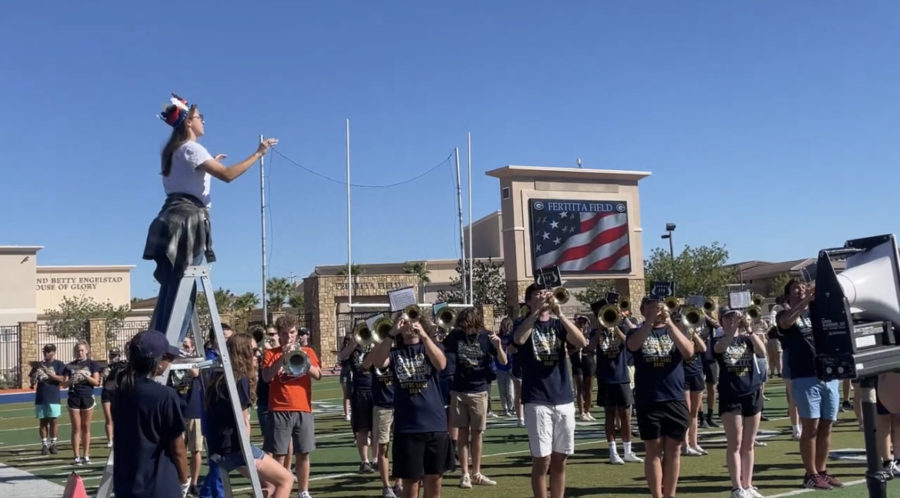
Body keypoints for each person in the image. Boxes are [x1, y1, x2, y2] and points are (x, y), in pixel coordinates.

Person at [144, 93, 278, 338]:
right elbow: (227, 175)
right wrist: (258, 153)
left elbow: (187, 181)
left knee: (171, 287)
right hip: (187, 220)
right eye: (199, 117)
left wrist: (207, 166)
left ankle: (158, 340)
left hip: (169, 217)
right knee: (184, 286)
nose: (203, 121)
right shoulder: (192, 149)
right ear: (188, 122)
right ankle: (170, 345)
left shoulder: (174, 151)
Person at [513, 284, 587, 498]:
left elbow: (581, 342)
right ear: (528, 301)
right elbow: (519, 339)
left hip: (563, 398)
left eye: (546, 294)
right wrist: (536, 312)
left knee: (560, 458)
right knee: (541, 460)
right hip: (537, 399)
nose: (543, 297)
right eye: (537, 294)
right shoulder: (523, 322)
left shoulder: (558, 324)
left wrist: (560, 313)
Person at [367, 312, 452, 498]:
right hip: (407, 428)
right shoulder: (395, 352)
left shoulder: (430, 346)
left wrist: (424, 335)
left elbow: (441, 364)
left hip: (435, 425)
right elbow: (379, 362)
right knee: (410, 486)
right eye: (404, 322)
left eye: (412, 320)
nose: (409, 326)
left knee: (434, 482)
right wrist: (391, 333)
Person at [206, 332, 294, 498]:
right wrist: (247, 453)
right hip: (234, 449)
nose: (258, 354)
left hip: (218, 447)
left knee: (269, 485)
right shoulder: (239, 380)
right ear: (242, 353)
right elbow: (243, 421)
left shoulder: (218, 378)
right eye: (253, 351)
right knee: (286, 479)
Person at [625, 297, 694, 498]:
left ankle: (670, 494)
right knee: (653, 451)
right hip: (649, 398)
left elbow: (689, 351)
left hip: (675, 397)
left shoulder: (675, 329)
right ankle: (657, 495)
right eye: (650, 306)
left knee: (674, 450)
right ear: (643, 310)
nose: (656, 309)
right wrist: (649, 322)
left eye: (658, 306)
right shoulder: (635, 331)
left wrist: (670, 322)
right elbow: (633, 346)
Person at [777, 279, 842, 490]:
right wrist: (804, 302)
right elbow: (786, 322)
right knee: (810, 427)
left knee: (826, 425)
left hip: (828, 375)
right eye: (796, 288)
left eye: (803, 287)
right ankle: (810, 474)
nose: (801, 290)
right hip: (804, 376)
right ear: (788, 296)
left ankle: (821, 470)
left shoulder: (816, 312)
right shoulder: (783, 313)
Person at [112, 329, 188, 498]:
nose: (169, 362)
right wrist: (184, 480)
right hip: (159, 486)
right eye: (168, 357)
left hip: (126, 484)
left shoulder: (120, 392)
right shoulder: (165, 395)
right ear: (158, 361)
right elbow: (178, 449)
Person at [443, 307, 506, 488]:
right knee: (462, 433)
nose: (466, 329)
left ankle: (476, 472)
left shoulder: (486, 337)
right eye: (463, 325)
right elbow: (442, 351)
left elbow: (504, 361)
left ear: (476, 324)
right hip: (459, 390)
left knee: (477, 434)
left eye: (468, 326)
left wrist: (499, 346)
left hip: (479, 390)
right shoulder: (455, 336)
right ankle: (464, 474)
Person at [261, 317, 322, 498]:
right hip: (279, 408)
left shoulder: (308, 351)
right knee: (279, 454)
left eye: (293, 333)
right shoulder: (270, 353)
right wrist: (282, 357)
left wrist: (302, 357)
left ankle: (303, 491)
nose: (290, 337)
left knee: (303, 452)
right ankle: (281, 490)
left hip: (303, 407)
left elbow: (318, 375)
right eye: (285, 334)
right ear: (279, 335)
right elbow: (266, 377)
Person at [715, 309, 766, 498]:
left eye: (734, 316)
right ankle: (736, 487)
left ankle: (748, 484)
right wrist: (732, 329)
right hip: (731, 395)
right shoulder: (718, 339)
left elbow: (762, 353)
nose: (733, 319)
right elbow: (720, 349)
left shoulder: (747, 339)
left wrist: (750, 331)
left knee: (749, 443)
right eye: (728, 317)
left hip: (752, 393)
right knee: (735, 443)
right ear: (722, 320)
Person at [592, 311, 642, 465]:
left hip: (622, 377)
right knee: (610, 415)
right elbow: (590, 347)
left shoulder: (623, 330)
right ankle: (613, 452)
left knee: (626, 415)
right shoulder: (596, 332)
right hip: (605, 377)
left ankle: (627, 451)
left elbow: (629, 344)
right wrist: (601, 329)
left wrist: (615, 328)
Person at [362, 328, 404, 498]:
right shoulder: (375, 354)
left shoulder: (397, 353)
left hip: (400, 404)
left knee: (401, 446)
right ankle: (386, 486)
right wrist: (377, 346)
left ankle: (399, 482)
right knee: (383, 447)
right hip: (382, 406)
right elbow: (364, 366)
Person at [167, 336, 204, 496]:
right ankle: (181, 480)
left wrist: (195, 372)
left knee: (196, 449)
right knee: (176, 449)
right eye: (183, 347)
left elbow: (202, 380)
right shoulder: (172, 365)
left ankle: (194, 483)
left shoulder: (196, 362)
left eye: (187, 347)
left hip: (194, 409)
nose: (185, 350)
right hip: (177, 410)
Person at [338, 331, 376, 473]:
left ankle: (376, 459)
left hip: (375, 389)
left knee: (377, 429)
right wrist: (354, 342)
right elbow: (341, 357)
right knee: (362, 429)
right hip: (359, 391)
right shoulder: (352, 350)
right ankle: (364, 461)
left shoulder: (375, 346)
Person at [64, 340, 102, 466]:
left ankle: (86, 455)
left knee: (86, 427)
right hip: (74, 397)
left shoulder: (92, 364)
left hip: (87, 397)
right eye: (77, 350)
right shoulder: (70, 366)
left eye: (81, 350)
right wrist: (71, 381)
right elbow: (63, 384)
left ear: (86, 351)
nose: (79, 353)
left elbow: (96, 382)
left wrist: (85, 375)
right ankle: (76, 456)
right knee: (76, 428)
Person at [29, 343, 66, 456]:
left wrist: (48, 373)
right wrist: (35, 374)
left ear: (53, 352)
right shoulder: (38, 365)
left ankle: (53, 443)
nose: (45, 353)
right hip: (41, 396)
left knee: (53, 420)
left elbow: (62, 379)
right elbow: (32, 381)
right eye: (44, 351)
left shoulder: (59, 364)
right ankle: (44, 444)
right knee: (43, 421)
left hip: (53, 395)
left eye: (48, 351)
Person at [682, 319, 708, 456]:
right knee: (686, 412)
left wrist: (693, 334)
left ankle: (694, 443)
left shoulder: (694, 335)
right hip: (684, 375)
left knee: (694, 412)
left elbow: (703, 348)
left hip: (697, 374)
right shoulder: (679, 337)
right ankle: (685, 444)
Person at [570, 315, 597, 422]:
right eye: (580, 322)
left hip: (589, 361)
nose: (582, 325)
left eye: (584, 323)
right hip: (577, 361)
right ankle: (581, 412)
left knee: (589, 389)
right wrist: (578, 345)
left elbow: (594, 348)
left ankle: (587, 411)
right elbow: (569, 350)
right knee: (580, 388)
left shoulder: (590, 334)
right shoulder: (572, 334)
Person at [100, 348, 127, 449]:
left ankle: (119, 437)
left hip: (118, 392)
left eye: (115, 355)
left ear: (119, 356)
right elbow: (104, 381)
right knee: (108, 417)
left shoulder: (122, 366)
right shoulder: (106, 368)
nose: (113, 357)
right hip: (107, 393)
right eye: (112, 355)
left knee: (119, 417)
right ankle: (110, 440)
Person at [493, 317, 516, 417]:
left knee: (510, 389)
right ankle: (505, 408)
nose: (504, 328)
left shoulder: (512, 337)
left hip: (510, 366)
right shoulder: (498, 337)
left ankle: (512, 407)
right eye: (503, 326)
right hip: (500, 367)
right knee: (502, 390)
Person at [339, 335, 354, 422]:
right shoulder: (344, 351)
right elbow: (343, 360)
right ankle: (347, 414)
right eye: (347, 340)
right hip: (345, 374)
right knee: (346, 395)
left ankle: (351, 412)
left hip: (351, 374)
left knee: (352, 395)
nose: (348, 342)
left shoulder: (353, 350)